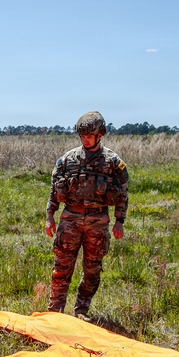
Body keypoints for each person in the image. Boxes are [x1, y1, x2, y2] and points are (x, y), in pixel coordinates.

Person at [44, 111, 129, 318]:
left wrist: (119, 221)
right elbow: (54, 190)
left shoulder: (113, 162)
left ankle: (81, 310)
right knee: (62, 267)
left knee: (92, 270)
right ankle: (56, 311)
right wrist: (49, 217)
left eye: (89, 136)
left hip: (98, 221)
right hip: (70, 219)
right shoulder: (67, 160)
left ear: (100, 135)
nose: (85, 139)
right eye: (82, 136)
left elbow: (123, 192)